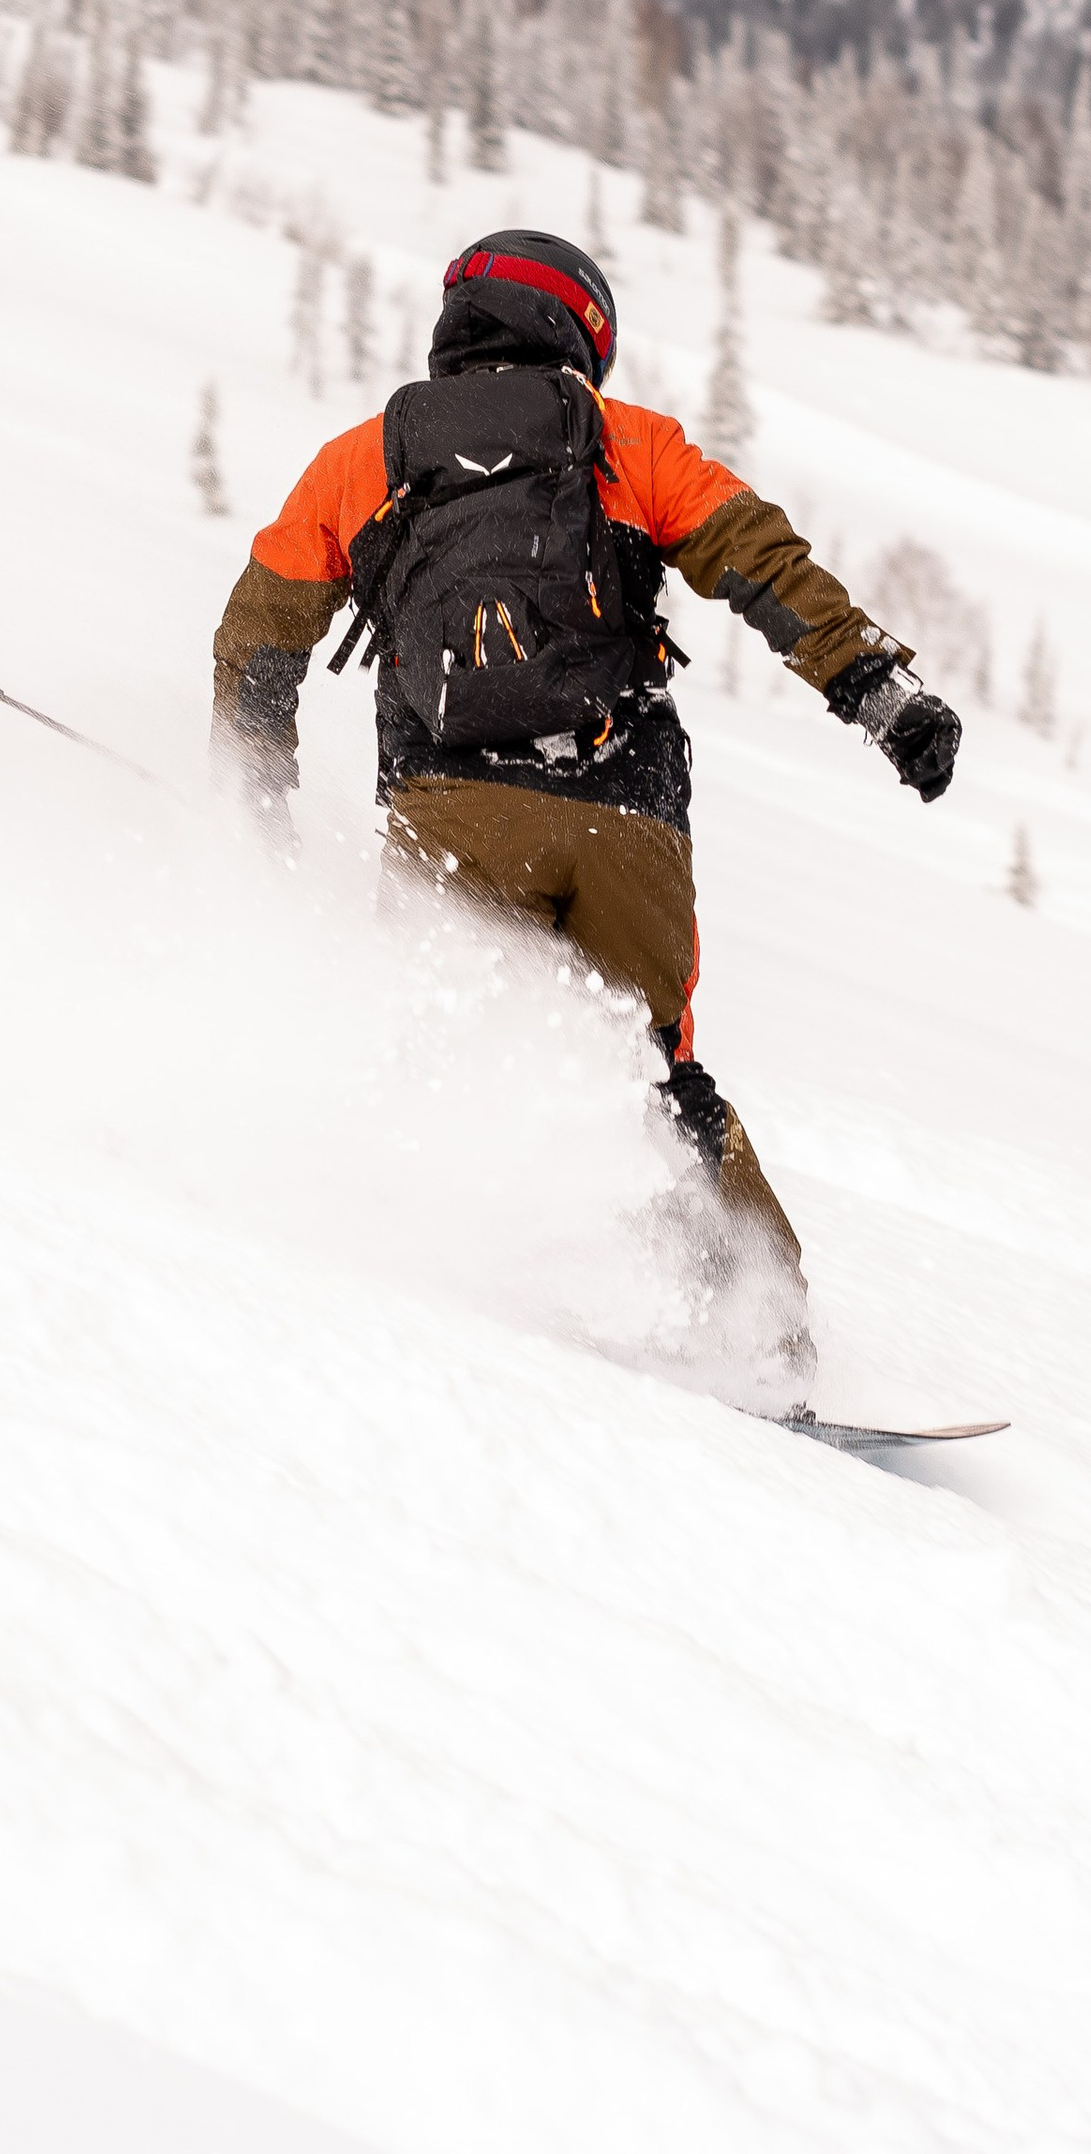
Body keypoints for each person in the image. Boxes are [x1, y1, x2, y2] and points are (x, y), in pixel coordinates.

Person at [210, 225, 961, 1378]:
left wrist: (250, 806)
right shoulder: (625, 444)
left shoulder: (363, 460)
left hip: (452, 812)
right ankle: (764, 1334)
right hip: (627, 819)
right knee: (658, 1068)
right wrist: (880, 692)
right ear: (580, 333)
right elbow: (759, 562)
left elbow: (257, 643)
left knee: (435, 1036)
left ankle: (409, 1261)